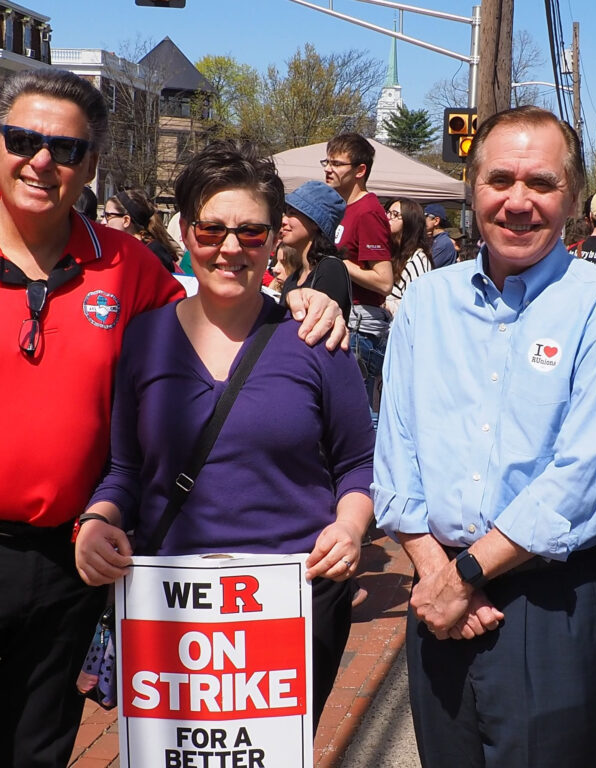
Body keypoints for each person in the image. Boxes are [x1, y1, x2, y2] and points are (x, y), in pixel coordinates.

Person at [0, 68, 348, 768]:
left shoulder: (125, 264)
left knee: (37, 746)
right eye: (22, 139)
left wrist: (309, 302)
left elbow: (218, 309)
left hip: (71, 561)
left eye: (65, 149)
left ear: (91, 165)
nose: (42, 160)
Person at [373, 105, 596, 768]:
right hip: (435, 592)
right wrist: (437, 572)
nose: (518, 201)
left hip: (549, 603)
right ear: (471, 188)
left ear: (573, 199)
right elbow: (395, 450)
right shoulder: (426, 304)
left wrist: (465, 574)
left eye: (542, 183)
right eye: (500, 179)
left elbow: (581, 477)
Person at [74, 140, 374, 733]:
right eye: (211, 231)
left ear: (276, 239)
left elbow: (358, 463)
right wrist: (98, 520)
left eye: (251, 233)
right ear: (186, 233)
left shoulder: (315, 338)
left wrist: (350, 525)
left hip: (292, 599)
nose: (230, 248)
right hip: (170, 604)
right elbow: (126, 470)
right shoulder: (144, 340)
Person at [324, 132, 392, 416]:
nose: (328, 169)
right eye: (326, 162)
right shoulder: (340, 207)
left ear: (360, 170)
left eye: (337, 164)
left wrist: (335, 262)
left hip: (360, 328)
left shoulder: (368, 212)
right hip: (342, 320)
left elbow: (384, 281)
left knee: (356, 415)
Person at [280, 179, 351, 321]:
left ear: (315, 223)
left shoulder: (331, 269)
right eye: (285, 213)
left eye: (292, 213)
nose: (284, 220)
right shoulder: (294, 277)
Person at [102, 188, 180, 272]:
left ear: (126, 220)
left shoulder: (152, 253)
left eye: (108, 216)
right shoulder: (125, 249)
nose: (103, 222)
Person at [384, 197, 432, 315]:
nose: (388, 217)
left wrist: (383, 304)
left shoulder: (417, 259)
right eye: (388, 212)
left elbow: (419, 305)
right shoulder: (390, 252)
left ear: (410, 221)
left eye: (395, 214)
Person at [424, 203, 456, 268]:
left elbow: (425, 268)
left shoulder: (443, 243)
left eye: (425, 216)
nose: (422, 220)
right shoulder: (435, 240)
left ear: (436, 221)